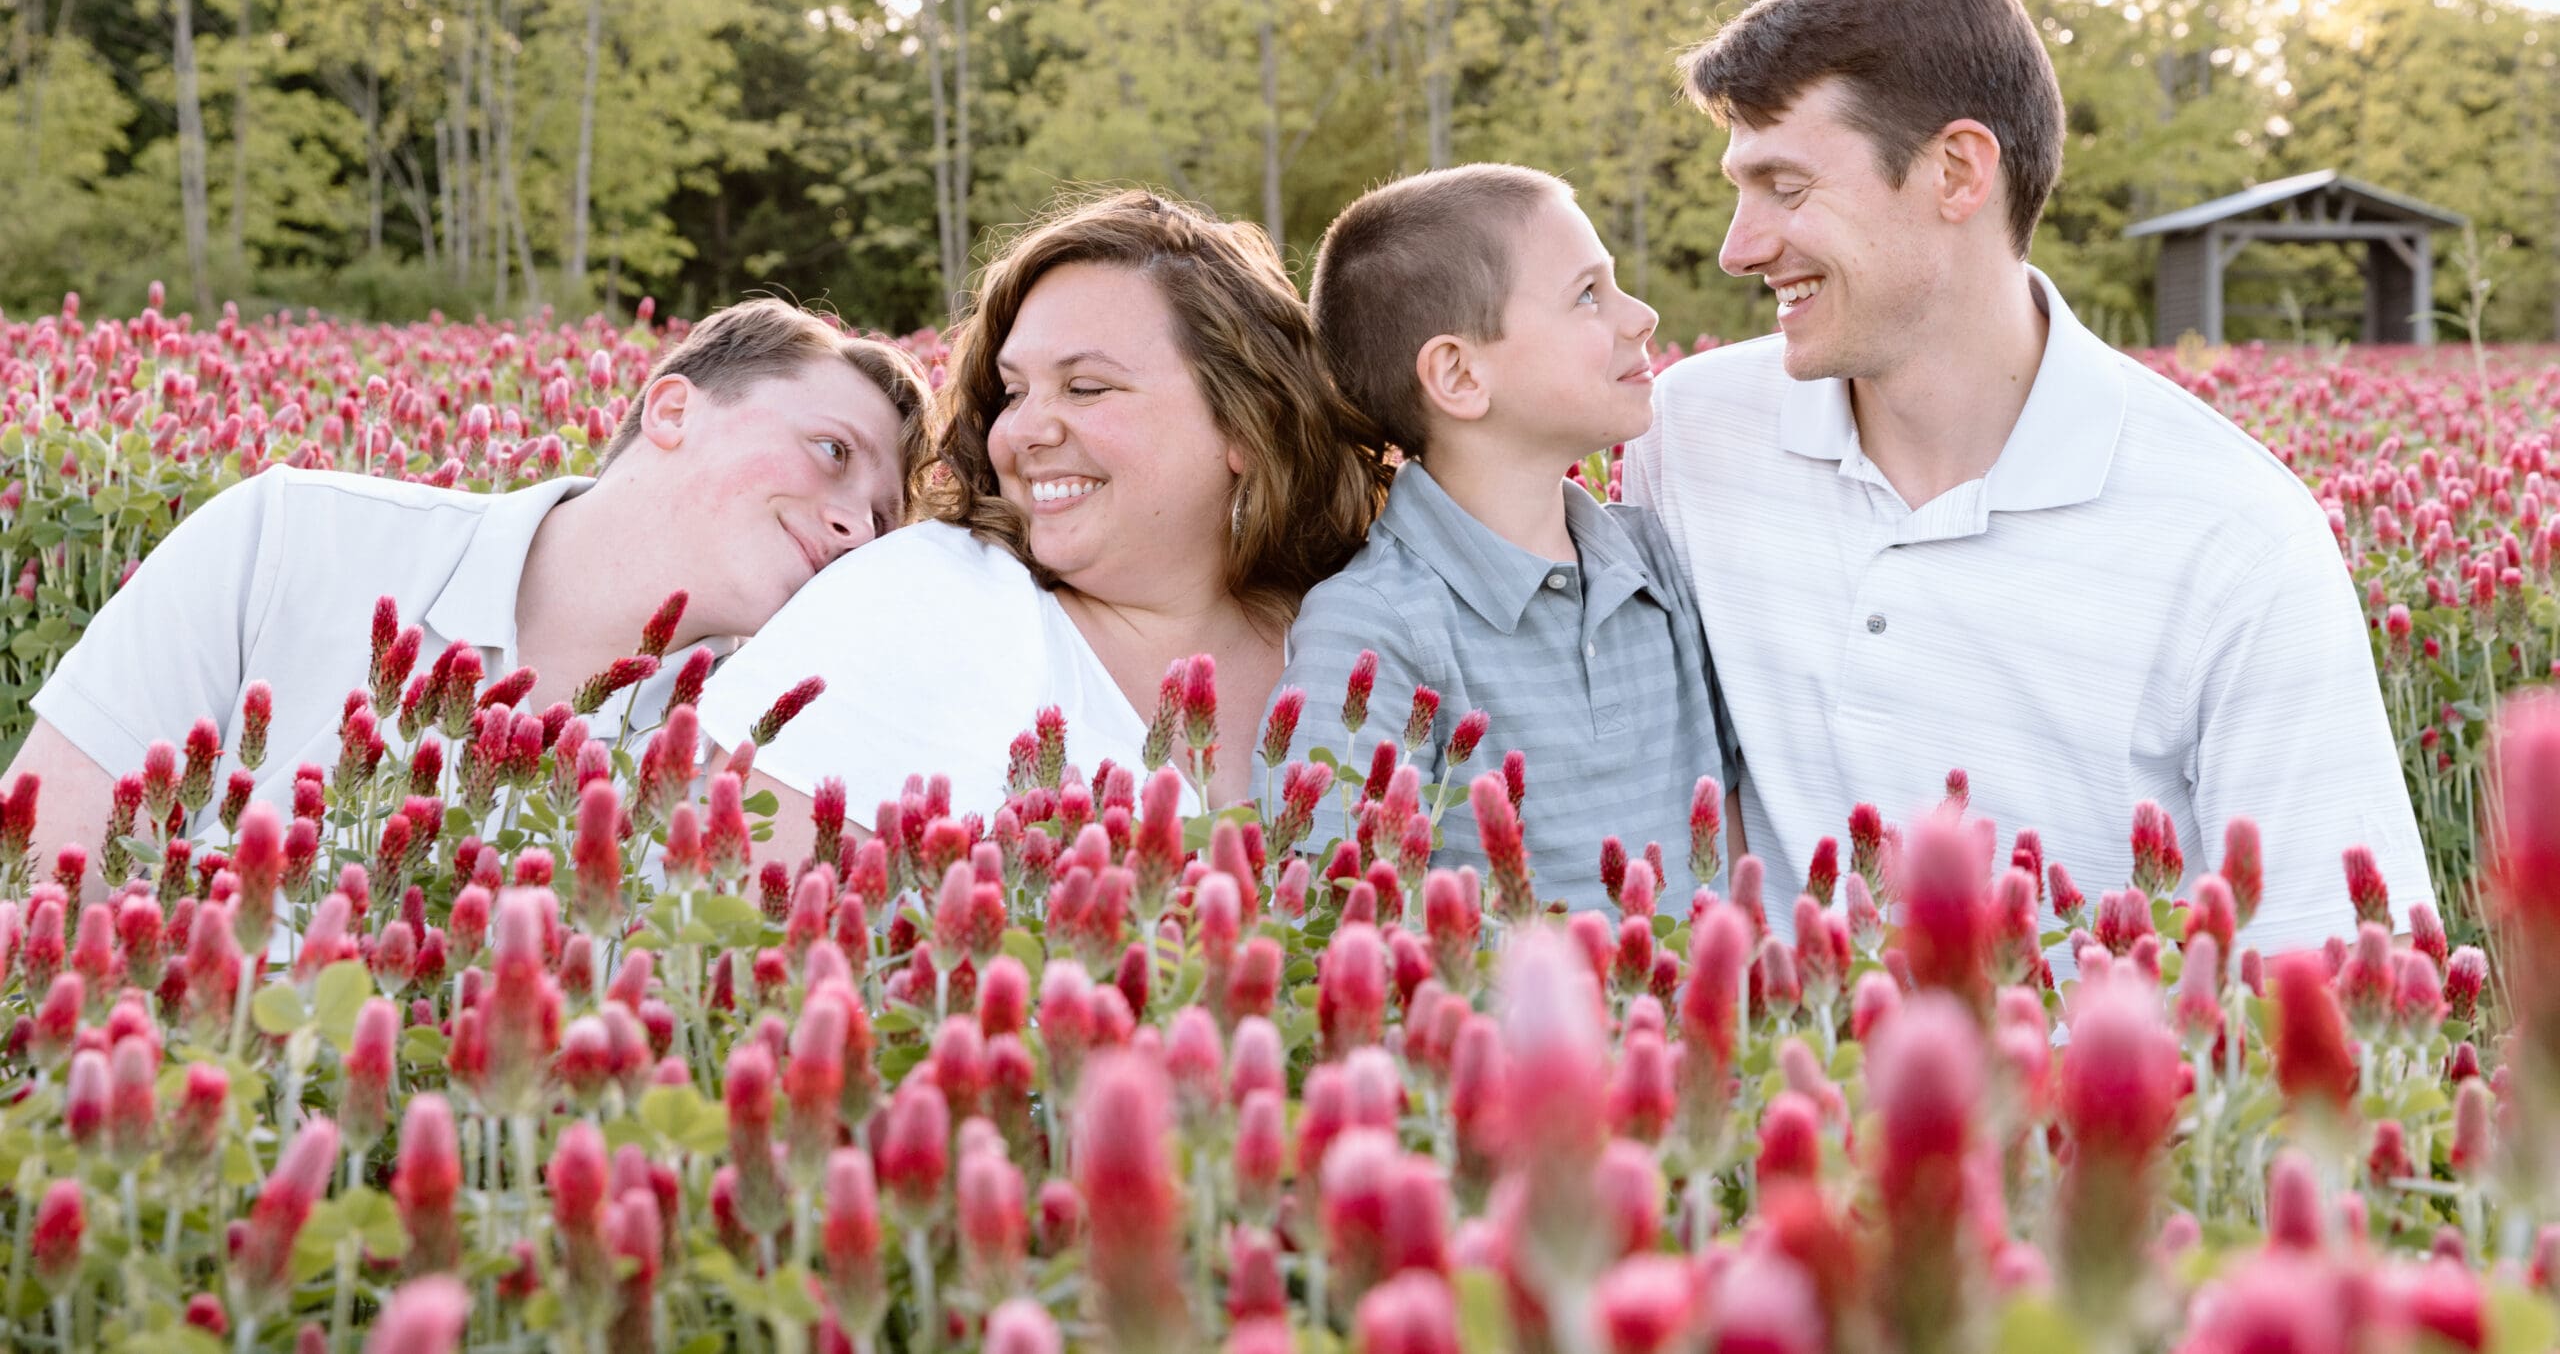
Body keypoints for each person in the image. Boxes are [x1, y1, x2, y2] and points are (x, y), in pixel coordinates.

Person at [1626, 0, 2436, 951]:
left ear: (1957, 171)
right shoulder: (1687, 437)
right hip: (1764, 1100)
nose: (1736, 247)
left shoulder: (2236, 539)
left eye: (1784, 188)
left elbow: (2335, 973)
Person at [9, 298, 932, 875]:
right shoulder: (289, 537)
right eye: (832, 451)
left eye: (884, 518)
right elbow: (34, 879)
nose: (856, 523)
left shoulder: (756, 770)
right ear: (673, 407)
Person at [698, 189, 1385, 862]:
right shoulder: (923, 598)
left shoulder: (1355, 630)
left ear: (1247, 419)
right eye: (1014, 392)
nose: (1023, 430)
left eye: (1086, 387)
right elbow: (737, 922)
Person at [1264, 164, 1736, 911]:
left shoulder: (1654, 564)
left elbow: (1730, 841)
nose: (1640, 315)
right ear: (1457, 374)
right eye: (1588, 294)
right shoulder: (1374, 624)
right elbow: (1328, 912)